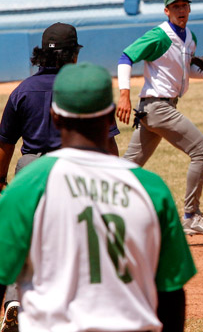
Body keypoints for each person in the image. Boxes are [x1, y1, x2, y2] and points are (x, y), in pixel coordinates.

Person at [0, 63, 196, 331]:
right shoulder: (151, 189)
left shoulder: (27, 187)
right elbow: (171, 293)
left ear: (55, 117)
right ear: (109, 118)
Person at [0, 22, 120, 332]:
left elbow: (5, 144)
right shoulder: (82, 89)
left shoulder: (22, 90)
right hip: (76, 170)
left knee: (21, 237)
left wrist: (1, 181)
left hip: (30, 170)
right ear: (72, 56)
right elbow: (108, 141)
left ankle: (14, 299)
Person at [116, 0, 203, 236]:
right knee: (202, 152)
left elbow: (185, 71)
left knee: (129, 166)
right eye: (175, 7)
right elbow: (125, 57)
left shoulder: (189, 37)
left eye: (184, 6)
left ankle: (98, 212)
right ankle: (191, 216)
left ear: (189, 9)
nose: (180, 10)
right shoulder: (159, 36)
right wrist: (124, 94)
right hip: (157, 107)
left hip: (157, 108)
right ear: (167, 11)